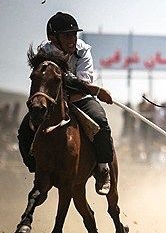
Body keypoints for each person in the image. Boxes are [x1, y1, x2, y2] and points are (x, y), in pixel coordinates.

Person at [17, 12, 114, 194]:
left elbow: (82, 83)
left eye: (74, 35)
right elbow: (48, 80)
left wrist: (89, 90)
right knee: (24, 129)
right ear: (53, 39)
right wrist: (96, 90)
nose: (72, 39)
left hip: (80, 99)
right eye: (66, 35)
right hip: (53, 102)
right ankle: (35, 166)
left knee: (100, 121)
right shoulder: (45, 52)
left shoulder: (83, 50)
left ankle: (102, 169)